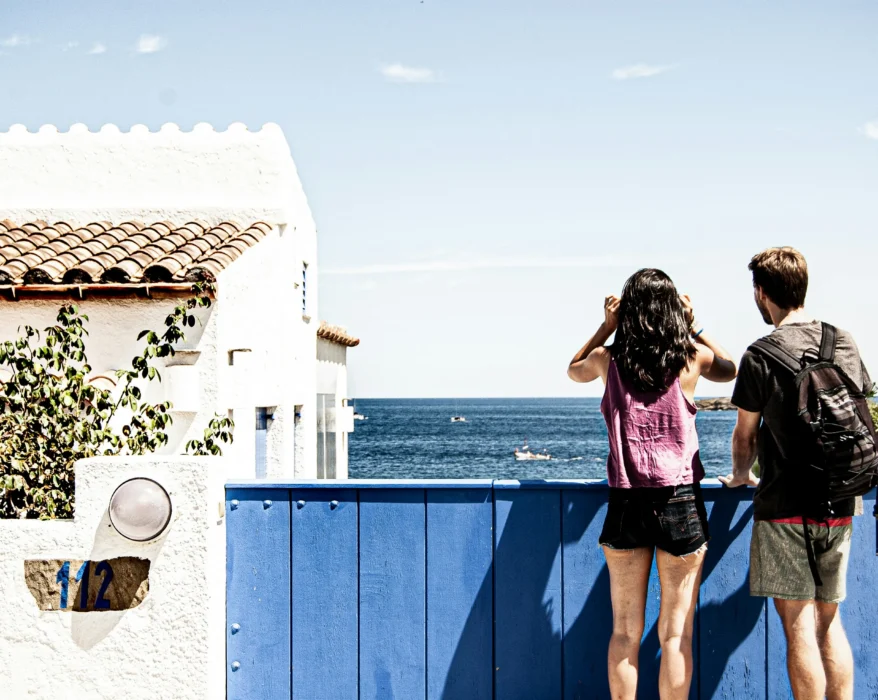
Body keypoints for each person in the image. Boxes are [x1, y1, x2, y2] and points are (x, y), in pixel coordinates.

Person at [567, 268, 737, 700]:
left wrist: (606, 327)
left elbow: (572, 370)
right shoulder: (690, 357)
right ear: (670, 311)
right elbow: (731, 368)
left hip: (626, 502)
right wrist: (694, 323)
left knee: (625, 633)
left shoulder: (609, 361)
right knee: (675, 635)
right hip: (681, 502)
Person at [720, 247, 873, 700]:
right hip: (842, 499)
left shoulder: (760, 355)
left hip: (786, 506)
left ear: (761, 292)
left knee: (799, 627)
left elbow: (745, 437)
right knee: (830, 621)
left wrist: (738, 476)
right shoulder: (842, 340)